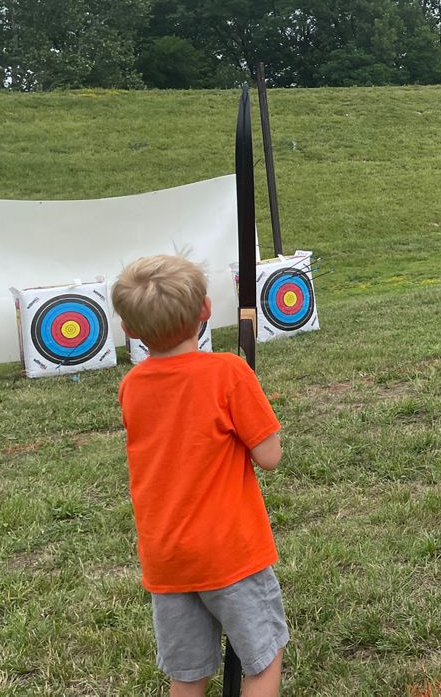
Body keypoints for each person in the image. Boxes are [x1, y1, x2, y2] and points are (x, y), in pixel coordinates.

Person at [112, 255, 288, 696]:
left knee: (187, 676)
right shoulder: (228, 371)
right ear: (206, 310)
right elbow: (269, 455)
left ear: (129, 330)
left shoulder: (132, 385)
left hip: (167, 557)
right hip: (230, 552)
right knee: (263, 660)